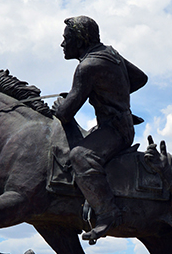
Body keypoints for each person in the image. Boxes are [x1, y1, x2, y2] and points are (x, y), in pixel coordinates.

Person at [52, 16, 149, 241]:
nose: (62, 44)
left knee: (79, 156)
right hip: (119, 124)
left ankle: (107, 213)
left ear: (81, 39)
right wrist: (111, 92)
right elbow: (140, 78)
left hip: (115, 131)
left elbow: (65, 114)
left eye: (67, 39)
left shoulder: (87, 67)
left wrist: (61, 105)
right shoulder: (110, 53)